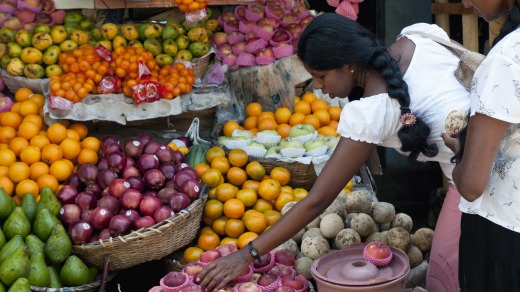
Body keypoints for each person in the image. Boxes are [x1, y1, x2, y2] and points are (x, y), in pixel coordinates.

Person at [197, 13, 470, 291]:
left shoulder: (371, 112)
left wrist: (247, 254)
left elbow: (319, 199)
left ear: (349, 65)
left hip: (485, 181)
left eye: (319, 76)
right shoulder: (417, 35)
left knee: (447, 279)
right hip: (472, 173)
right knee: (449, 271)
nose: (317, 86)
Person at [441, 0, 520, 291]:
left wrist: (461, 154)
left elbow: (472, 184)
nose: (463, 2)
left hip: (504, 233)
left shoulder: (507, 57)